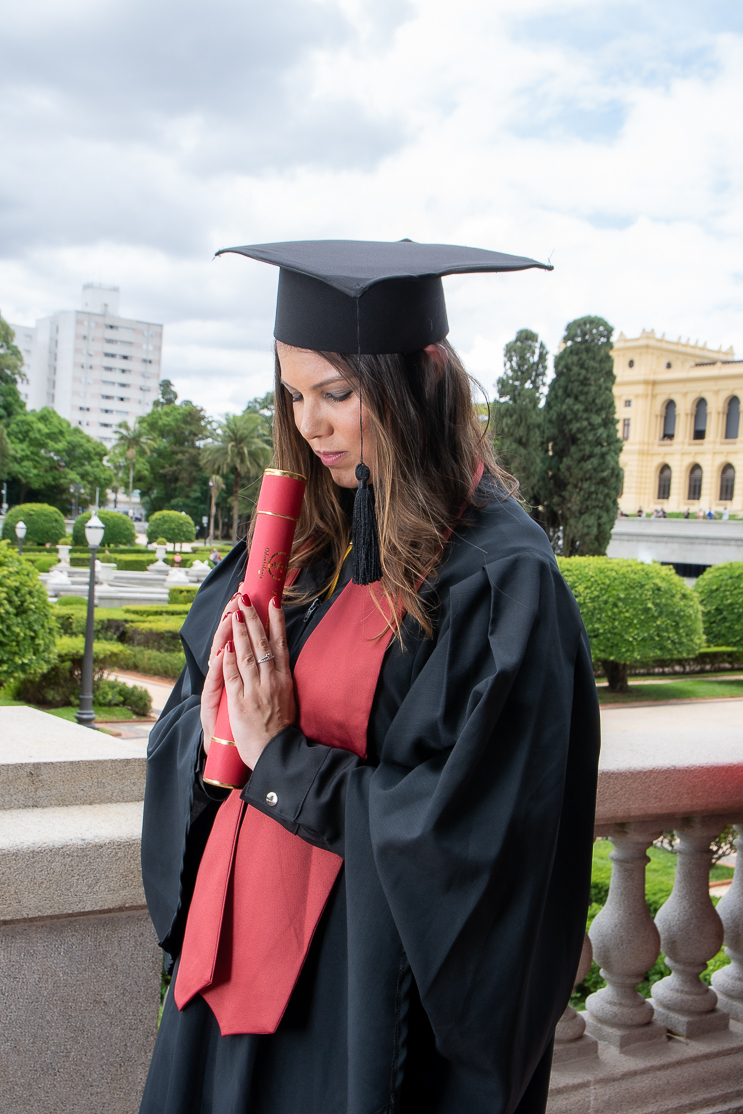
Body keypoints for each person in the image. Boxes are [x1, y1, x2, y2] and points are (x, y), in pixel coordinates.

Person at [140, 239, 600, 1114]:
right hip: (228, 970)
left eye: (337, 394)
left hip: (358, 1001)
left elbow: (480, 831)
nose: (310, 424)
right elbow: (195, 725)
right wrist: (214, 726)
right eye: (292, 394)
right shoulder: (304, 548)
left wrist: (282, 759)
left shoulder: (500, 578)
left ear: (421, 376)